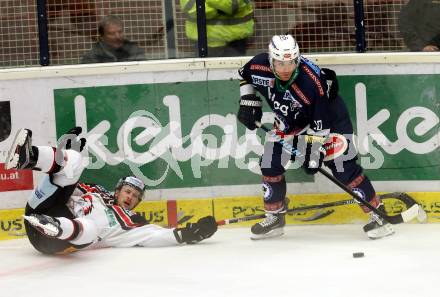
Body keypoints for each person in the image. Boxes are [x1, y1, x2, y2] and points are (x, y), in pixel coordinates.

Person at [237, 34, 394, 240]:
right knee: (270, 162)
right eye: (280, 63)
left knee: (342, 166)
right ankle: (275, 217)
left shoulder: (311, 83)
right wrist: (248, 100)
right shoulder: (258, 66)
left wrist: (313, 152)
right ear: (270, 60)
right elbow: (243, 75)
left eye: (291, 63)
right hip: (290, 121)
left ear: (298, 59)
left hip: (329, 120)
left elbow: (320, 127)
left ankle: (378, 214)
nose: (286, 69)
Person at [4, 127, 217, 255]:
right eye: (128, 191)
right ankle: (28, 156)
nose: (130, 197)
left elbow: (157, 235)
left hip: (55, 242)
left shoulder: (130, 223)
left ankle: (57, 227)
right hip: (36, 211)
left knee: (91, 228)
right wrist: (66, 158)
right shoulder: (94, 191)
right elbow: (63, 183)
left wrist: (192, 233)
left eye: (135, 196)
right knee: (77, 161)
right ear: (117, 191)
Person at [180, 0, 254, 57]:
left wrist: (207, 2)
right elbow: (191, 7)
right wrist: (220, 9)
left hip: (235, 40)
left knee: (235, 73)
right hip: (204, 41)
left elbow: (233, 4)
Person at [81, 15, 146, 63]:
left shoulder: (134, 50)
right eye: (112, 34)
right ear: (102, 37)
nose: (117, 36)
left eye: (120, 32)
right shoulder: (92, 56)